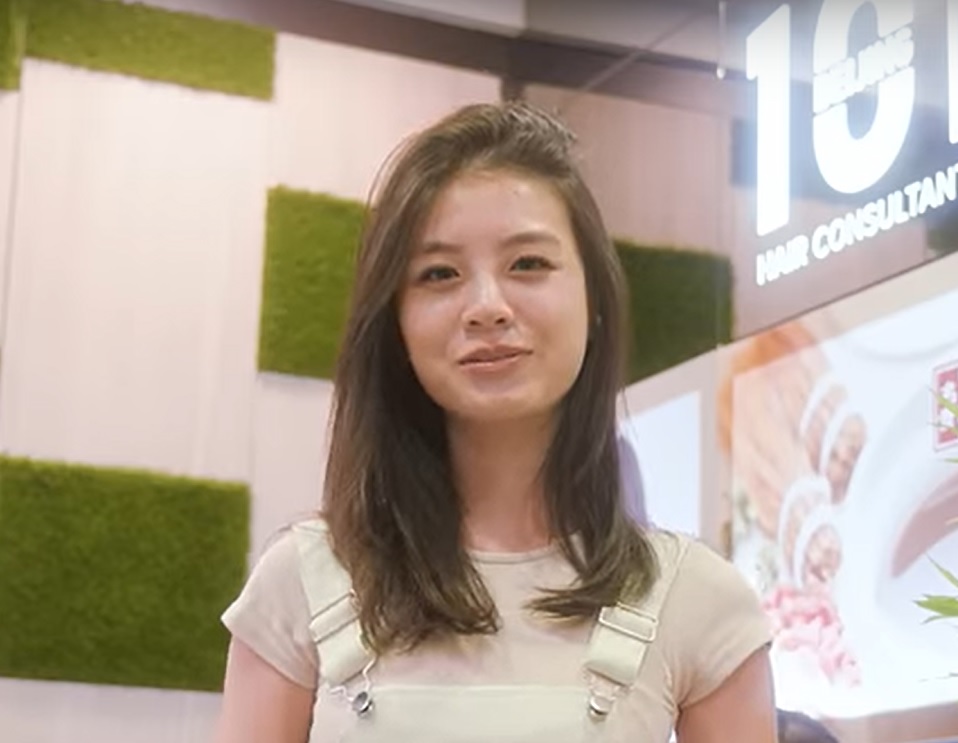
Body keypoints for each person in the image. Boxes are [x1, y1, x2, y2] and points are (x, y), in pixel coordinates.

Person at [214, 101, 776, 742]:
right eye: (439, 274)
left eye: (527, 264)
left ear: (594, 298)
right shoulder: (302, 584)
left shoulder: (698, 601)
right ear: (395, 323)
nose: (486, 306)